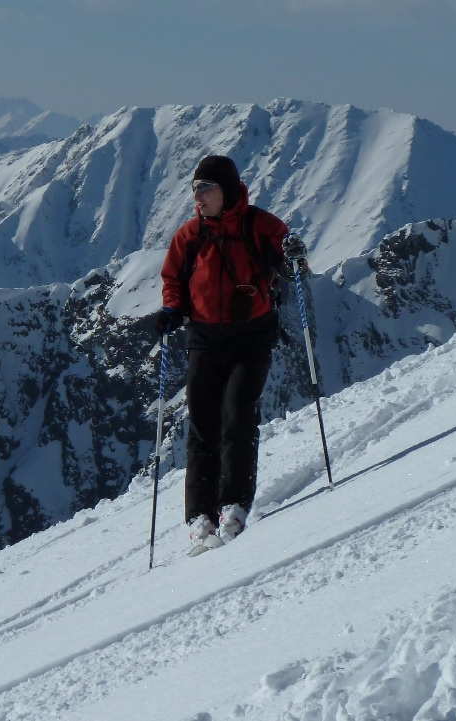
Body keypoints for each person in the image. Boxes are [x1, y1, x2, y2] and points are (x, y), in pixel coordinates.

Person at [156, 155, 290, 556]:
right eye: (194, 188)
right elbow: (173, 280)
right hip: (203, 338)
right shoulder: (189, 235)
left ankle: (233, 506)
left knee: (236, 415)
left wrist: (293, 255)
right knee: (202, 426)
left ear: (227, 190)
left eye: (205, 188)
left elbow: (289, 252)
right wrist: (170, 310)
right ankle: (201, 518)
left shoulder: (257, 225)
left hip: (251, 336)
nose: (197, 196)